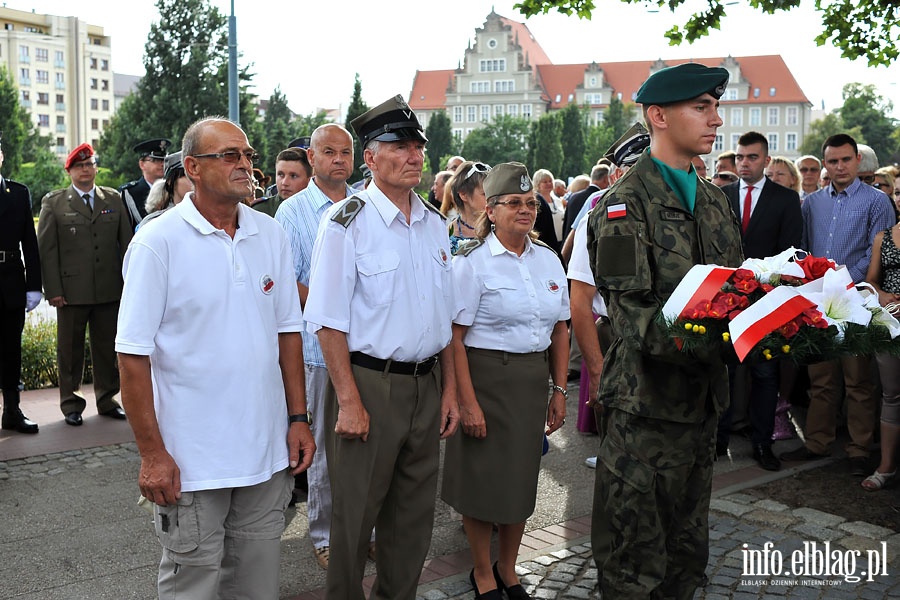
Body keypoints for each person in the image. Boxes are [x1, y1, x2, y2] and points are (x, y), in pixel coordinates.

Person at [115, 117, 315, 598]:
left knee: (256, 587)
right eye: (229, 155)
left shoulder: (270, 234)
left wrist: (298, 418)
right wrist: (152, 455)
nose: (245, 164)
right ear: (193, 168)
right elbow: (132, 357)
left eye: (247, 155)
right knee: (192, 587)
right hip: (191, 461)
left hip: (266, 456)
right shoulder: (157, 242)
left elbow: (289, 334)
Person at [586, 62, 743, 598]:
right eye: (701, 108)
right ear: (658, 116)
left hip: (701, 410)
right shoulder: (622, 207)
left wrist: (770, 325)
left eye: (715, 107)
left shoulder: (717, 202)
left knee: (687, 555)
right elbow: (636, 321)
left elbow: (733, 294)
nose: (715, 120)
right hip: (645, 416)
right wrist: (729, 340)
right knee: (635, 564)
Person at [303, 95, 458, 600]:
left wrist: (451, 392)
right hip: (368, 385)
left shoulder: (435, 224)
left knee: (413, 517)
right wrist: (348, 401)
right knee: (354, 519)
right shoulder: (346, 223)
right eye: (400, 146)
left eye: (418, 147)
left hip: (426, 384)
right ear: (370, 158)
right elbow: (326, 322)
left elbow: (446, 320)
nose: (414, 156)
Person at [441, 162, 568, 600]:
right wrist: (467, 402)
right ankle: (481, 573)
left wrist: (560, 389)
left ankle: (508, 569)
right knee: (482, 482)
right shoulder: (471, 264)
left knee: (520, 480)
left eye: (530, 202)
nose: (525, 210)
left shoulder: (548, 259)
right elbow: (454, 339)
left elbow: (561, 330)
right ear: (490, 211)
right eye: (513, 203)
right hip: (485, 378)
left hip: (532, 381)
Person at [782, 134, 896, 477]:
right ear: (824, 164)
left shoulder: (877, 202)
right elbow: (803, 248)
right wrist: (814, 282)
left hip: (858, 298)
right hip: (820, 299)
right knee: (821, 376)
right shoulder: (813, 202)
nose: (839, 167)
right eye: (833, 161)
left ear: (857, 161)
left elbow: (874, 254)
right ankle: (817, 441)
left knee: (858, 377)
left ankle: (859, 448)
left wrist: (844, 281)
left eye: (846, 160)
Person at [275, 123, 357, 569]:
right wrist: (337, 304)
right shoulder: (293, 212)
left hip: (367, 347)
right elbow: (288, 282)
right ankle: (324, 535)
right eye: (329, 151)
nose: (339, 159)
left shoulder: (364, 203)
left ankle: (367, 530)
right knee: (325, 448)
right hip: (318, 348)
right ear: (312, 157)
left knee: (367, 446)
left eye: (346, 151)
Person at [717, 131, 802, 472]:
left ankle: (763, 444)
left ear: (766, 161)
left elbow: (790, 249)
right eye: (739, 157)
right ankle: (718, 442)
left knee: (765, 373)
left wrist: (765, 287)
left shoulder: (785, 198)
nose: (744, 163)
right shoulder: (720, 196)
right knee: (725, 371)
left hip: (766, 299)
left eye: (751, 157)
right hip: (726, 300)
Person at [37, 143, 132, 426]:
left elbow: (127, 245)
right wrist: (53, 290)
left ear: (96, 168)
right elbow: (47, 251)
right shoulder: (54, 203)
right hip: (70, 293)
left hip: (108, 289)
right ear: (69, 171)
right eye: (79, 166)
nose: (85, 170)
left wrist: (130, 285)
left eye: (89, 165)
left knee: (107, 349)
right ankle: (71, 404)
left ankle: (107, 399)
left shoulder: (113, 199)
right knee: (70, 351)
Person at [0, 137, 42, 434]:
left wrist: (34, 285)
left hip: (9, 282)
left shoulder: (17, 193)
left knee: (11, 351)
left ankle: (12, 412)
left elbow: (30, 242)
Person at [861, 221, 900, 490]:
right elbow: (870, 280)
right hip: (891, 324)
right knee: (892, 394)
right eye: (898, 193)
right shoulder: (883, 238)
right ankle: (887, 466)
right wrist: (884, 295)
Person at [120, 138, 172, 229]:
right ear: (142, 164)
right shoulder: (130, 193)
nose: (162, 164)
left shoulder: (173, 189)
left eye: (165, 160)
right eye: (156, 160)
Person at [252, 147, 312, 217]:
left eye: (293, 176)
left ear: (309, 180)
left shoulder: (322, 211)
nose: (284, 182)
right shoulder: (260, 211)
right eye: (281, 175)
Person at [447, 160, 491, 255]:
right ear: (463, 194)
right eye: (485, 194)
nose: (492, 199)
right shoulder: (446, 236)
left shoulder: (500, 231)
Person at [139, 151, 192, 228]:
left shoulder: (211, 217)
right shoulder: (154, 224)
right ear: (170, 182)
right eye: (187, 175)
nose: (195, 180)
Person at [532, 169, 562, 249]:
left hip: (560, 241)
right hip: (545, 242)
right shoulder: (535, 202)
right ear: (537, 184)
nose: (549, 183)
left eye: (550, 181)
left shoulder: (558, 201)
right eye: (545, 182)